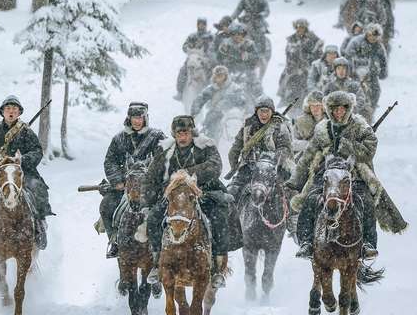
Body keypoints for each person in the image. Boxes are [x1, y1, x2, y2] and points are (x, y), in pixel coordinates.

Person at [287, 91, 379, 260]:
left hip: (354, 174)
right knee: (310, 200)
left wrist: (347, 146)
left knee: (364, 200)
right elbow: (308, 155)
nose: (339, 113)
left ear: (348, 108)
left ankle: (368, 243)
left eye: (342, 109)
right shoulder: (322, 129)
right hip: (326, 173)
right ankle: (306, 242)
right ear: (329, 110)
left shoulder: (360, 125)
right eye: (335, 109)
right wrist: (295, 180)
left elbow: (369, 150)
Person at [144, 115, 230, 288]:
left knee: (219, 217)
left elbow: (215, 167)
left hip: (203, 193)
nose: (182, 137)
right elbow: (151, 177)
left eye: (186, 133)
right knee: (153, 218)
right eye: (179, 133)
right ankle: (156, 262)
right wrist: (148, 199)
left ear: (192, 133)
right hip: (173, 196)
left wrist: (187, 174)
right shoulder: (165, 152)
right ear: (174, 134)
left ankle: (219, 266)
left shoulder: (206, 146)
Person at [0, 95, 53, 249]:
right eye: (8, 109)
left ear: (19, 113)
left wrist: (21, 160)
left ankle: (40, 223)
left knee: (38, 188)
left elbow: (37, 152)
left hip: (22, 171)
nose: (11, 112)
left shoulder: (26, 132)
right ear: (2, 112)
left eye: (14, 109)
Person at [100, 102, 166, 258]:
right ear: (129, 118)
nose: (137, 121)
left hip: (152, 187)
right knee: (107, 206)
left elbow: (165, 160)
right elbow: (110, 161)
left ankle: (166, 243)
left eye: (140, 118)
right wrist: (117, 181)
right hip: (125, 187)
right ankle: (114, 240)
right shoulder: (119, 139)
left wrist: (155, 180)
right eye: (134, 117)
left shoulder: (158, 137)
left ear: (145, 118)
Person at [227, 97, 294, 207]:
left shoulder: (280, 127)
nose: (264, 114)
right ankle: (230, 222)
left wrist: (272, 161)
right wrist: (236, 167)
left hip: (274, 169)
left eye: (267, 111)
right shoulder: (248, 126)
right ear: (256, 112)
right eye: (261, 111)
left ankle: (291, 222)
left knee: (289, 196)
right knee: (231, 193)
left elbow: (285, 149)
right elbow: (235, 149)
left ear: (272, 112)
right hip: (250, 168)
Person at [191, 65, 247, 142]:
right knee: (210, 125)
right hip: (215, 114)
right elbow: (201, 98)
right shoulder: (212, 88)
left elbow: (242, 100)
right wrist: (195, 110)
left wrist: (226, 103)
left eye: (221, 75)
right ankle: (210, 142)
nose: (219, 78)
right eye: (217, 76)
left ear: (226, 76)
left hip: (232, 113)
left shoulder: (235, 88)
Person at [279, 18, 324, 106]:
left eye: (302, 27)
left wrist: (307, 60)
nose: (300, 29)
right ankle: (283, 98)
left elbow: (318, 55)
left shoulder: (313, 39)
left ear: (305, 28)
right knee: (284, 78)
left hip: (308, 67)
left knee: (314, 81)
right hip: (293, 67)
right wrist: (292, 65)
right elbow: (288, 54)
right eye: (298, 27)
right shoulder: (291, 39)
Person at [343, 23, 387, 109]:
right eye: (371, 35)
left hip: (372, 73)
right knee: (356, 91)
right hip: (356, 73)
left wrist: (383, 72)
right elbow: (348, 56)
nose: (373, 38)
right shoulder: (356, 41)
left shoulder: (379, 46)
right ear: (367, 34)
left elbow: (383, 60)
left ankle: (372, 107)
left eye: (376, 37)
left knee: (376, 91)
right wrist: (350, 70)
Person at [174, 17, 215, 101]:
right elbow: (184, 47)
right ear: (197, 25)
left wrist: (207, 49)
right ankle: (180, 92)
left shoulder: (210, 36)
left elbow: (213, 48)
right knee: (183, 70)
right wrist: (191, 47)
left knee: (211, 71)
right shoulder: (192, 36)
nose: (201, 26)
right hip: (192, 57)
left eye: (203, 24)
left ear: (205, 25)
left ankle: (212, 91)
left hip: (204, 58)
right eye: (200, 24)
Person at [217, 22, 263, 95]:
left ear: (243, 35)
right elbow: (219, 58)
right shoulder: (226, 44)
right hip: (229, 71)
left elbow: (256, 57)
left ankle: (259, 102)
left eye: (239, 34)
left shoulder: (249, 44)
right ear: (231, 35)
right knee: (217, 84)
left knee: (257, 87)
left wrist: (248, 55)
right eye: (234, 34)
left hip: (247, 71)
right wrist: (223, 52)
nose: (237, 36)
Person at [323, 57, 371, 122]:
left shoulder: (354, 85)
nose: (341, 71)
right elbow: (324, 100)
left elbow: (361, 99)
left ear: (347, 70)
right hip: (333, 117)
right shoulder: (329, 86)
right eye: (338, 68)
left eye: (343, 68)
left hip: (352, 117)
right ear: (335, 70)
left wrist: (351, 111)